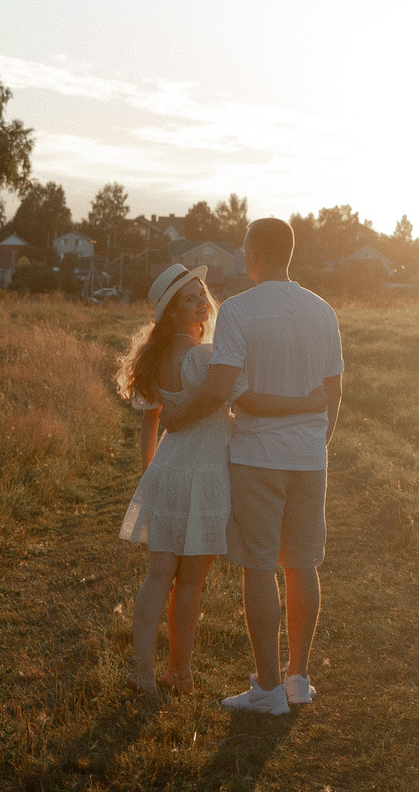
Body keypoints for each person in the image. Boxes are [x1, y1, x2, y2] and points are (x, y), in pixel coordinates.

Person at [116, 262, 327, 698]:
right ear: (173, 313)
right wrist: (306, 403)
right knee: (189, 580)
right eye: (190, 298)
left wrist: (151, 475)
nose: (202, 301)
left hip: (170, 470)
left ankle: (145, 670)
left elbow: (152, 421)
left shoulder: (154, 359)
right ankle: (180, 671)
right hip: (206, 472)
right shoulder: (204, 357)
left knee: (158, 575)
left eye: (201, 293)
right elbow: (241, 401)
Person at [161, 216, 344, 716]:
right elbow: (333, 391)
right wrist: (314, 439)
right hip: (309, 458)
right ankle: (298, 679)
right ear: (289, 253)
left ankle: (267, 687)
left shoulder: (239, 311)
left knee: (260, 563)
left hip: (257, 458)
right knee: (302, 562)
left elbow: (222, 390)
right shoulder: (322, 311)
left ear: (253, 257)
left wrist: (175, 418)